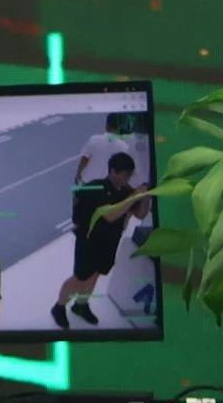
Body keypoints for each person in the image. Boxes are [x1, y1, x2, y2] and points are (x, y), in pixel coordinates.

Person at [54, 151, 153, 328]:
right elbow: (110, 215)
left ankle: (81, 305)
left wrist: (145, 198)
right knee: (79, 278)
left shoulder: (127, 191)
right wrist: (134, 196)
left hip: (110, 243)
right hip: (89, 242)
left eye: (130, 175)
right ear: (113, 172)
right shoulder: (95, 189)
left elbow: (140, 214)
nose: (128, 178)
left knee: (95, 276)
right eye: (125, 175)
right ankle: (59, 307)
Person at [75, 112, 142, 189]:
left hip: (88, 183)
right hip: (108, 186)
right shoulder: (124, 147)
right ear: (119, 126)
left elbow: (84, 159)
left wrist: (78, 174)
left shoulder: (94, 140)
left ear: (107, 124)